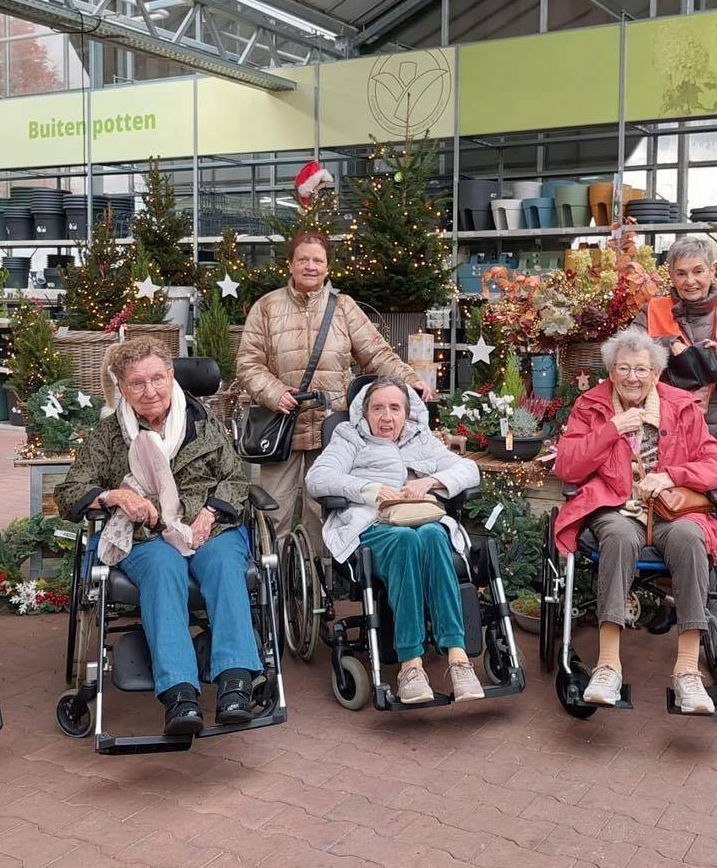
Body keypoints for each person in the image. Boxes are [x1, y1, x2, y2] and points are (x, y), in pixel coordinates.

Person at [54, 337, 262, 736]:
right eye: (137, 383)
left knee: (223, 563)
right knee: (164, 570)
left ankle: (235, 684)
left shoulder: (203, 422)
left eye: (157, 379)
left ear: (171, 377)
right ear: (122, 387)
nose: (149, 391)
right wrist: (116, 496)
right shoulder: (108, 434)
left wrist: (210, 512)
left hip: (210, 526)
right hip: (145, 535)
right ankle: (180, 694)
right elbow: (69, 492)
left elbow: (236, 478)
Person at [552, 328, 717, 714]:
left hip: (670, 510)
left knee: (690, 538)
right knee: (617, 536)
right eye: (623, 369)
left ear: (656, 373)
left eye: (641, 370)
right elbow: (566, 466)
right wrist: (611, 429)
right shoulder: (590, 405)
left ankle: (687, 671)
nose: (632, 377)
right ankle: (608, 666)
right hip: (615, 506)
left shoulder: (681, 406)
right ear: (611, 371)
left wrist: (672, 476)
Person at [236, 231, 432, 548]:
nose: (310, 266)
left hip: (331, 430)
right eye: (303, 259)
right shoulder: (267, 307)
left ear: (327, 268)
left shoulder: (343, 308)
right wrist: (274, 392)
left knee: (324, 514)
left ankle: (319, 574)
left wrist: (409, 379)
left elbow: (376, 354)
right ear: (290, 264)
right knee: (274, 512)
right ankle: (272, 575)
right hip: (281, 428)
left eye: (318, 260)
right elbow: (248, 364)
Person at [306, 377, 482, 704]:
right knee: (405, 541)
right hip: (371, 524)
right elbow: (318, 478)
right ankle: (411, 665)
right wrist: (368, 490)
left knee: (433, 534)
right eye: (378, 408)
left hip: (422, 519)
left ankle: (458, 659)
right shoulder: (349, 436)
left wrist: (430, 482)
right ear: (365, 412)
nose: (386, 417)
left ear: (406, 412)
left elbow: (470, 469)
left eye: (394, 408)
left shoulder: (422, 438)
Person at [638, 236, 717, 501]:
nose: (690, 281)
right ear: (671, 275)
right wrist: (668, 343)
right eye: (681, 273)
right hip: (663, 428)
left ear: (711, 271)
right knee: (665, 504)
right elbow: (626, 350)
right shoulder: (652, 311)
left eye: (698, 271)